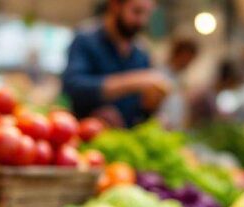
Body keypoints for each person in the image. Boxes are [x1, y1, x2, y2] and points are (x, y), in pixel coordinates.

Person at [61, 0, 171, 128]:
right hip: (84, 137)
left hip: (123, 140)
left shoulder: (141, 54)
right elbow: (73, 86)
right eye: (137, 12)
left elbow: (140, 111)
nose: (142, 21)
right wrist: (134, 82)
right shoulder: (85, 40)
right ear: (115, 5)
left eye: (147, 14)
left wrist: (151, 111)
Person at [157, 38, 199, 129]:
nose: (189, 63)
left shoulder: (180, 79)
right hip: (160, 128)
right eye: (188, 58)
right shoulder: (159, 75)